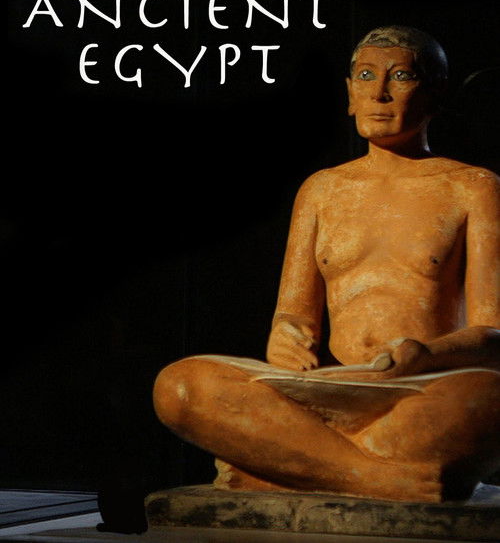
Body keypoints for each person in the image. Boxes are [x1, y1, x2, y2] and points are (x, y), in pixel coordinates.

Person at [153, 26, 500, 502]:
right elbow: (292, 315)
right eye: (366, 76)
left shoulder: (473, 187)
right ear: (350, 94)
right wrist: (286, 336)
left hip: (419, 389)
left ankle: (286, 461)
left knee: (488, 400)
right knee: (180, 386)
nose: (379, 93)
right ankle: (373, 476)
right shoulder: (322, 190)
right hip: (325, 387)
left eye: (400, 76)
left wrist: (426, 355)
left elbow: (491, 333)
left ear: (436, 92)